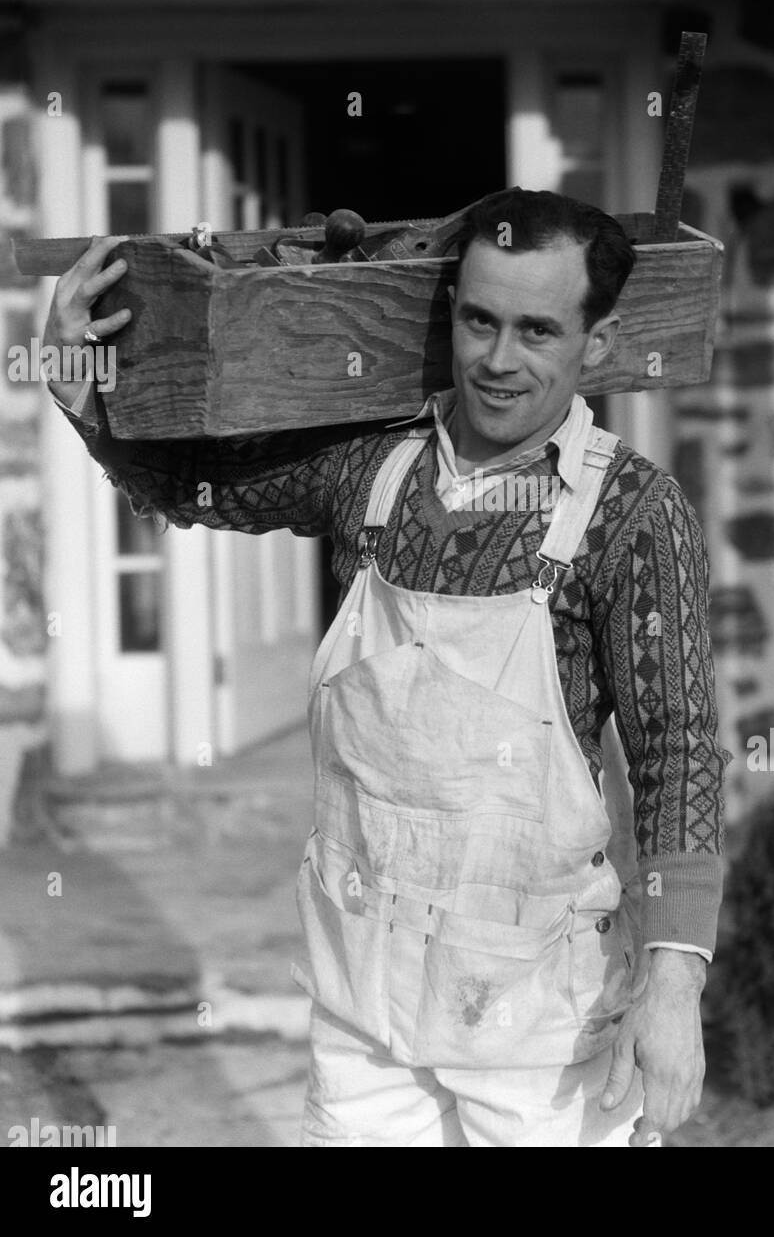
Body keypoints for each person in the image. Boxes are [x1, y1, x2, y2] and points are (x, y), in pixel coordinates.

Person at [44, 187, 731, 1148]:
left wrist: (673, 979)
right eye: (480, 320)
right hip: (361, 1005)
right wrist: (82, 387)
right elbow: (198, 489)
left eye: (538, 330)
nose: (498, 359)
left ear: (600, 344)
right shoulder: (372, 467)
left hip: (538, 1026)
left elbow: (679, 754)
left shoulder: (631, 515)